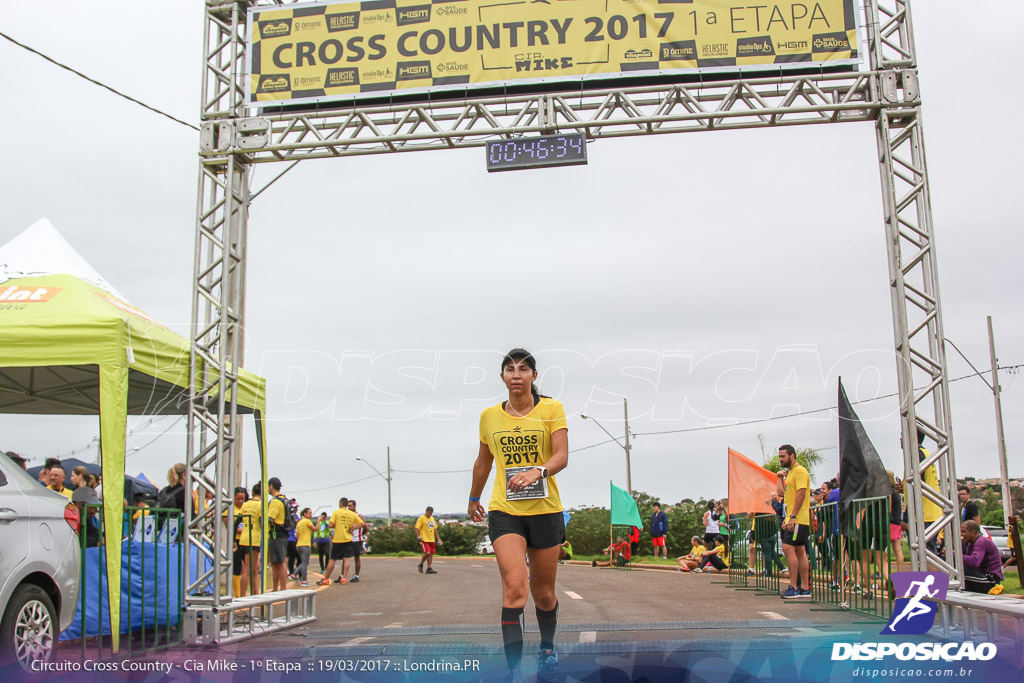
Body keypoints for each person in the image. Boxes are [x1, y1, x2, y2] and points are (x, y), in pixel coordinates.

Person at [468, 348, 568, 683]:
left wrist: (537, 472)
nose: (516, 374)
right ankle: (512, 670)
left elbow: (561, 456)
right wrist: (473, 498)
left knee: (544, 594)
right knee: (514, 587)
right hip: (505, 510)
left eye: (523, 369)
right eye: (509, 369)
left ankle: (548, 649)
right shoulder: (489, 417)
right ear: (502, 377)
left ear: (534, 377)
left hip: (545, 510)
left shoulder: (552, 409)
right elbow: (484, 462)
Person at [777, 445, 811, 599]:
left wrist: (793, 516)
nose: (781, 460)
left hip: (799, 518)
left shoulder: (800, 471)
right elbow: (782, 494)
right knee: (799, 550)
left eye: (783, 456)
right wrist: (787, 518)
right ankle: (804, 587)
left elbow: (802, 494)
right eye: (779, 457)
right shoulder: (790, 474)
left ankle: (794, 586)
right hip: (792, 517)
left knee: (788, 548)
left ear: (792, 456)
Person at [319, 496, 363, 586]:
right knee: (346, 559)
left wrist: (325, 521)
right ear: (347, 505)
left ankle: (326, 578)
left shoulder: (336, 512)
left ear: (340, 504)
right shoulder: (352, 514)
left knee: (332, 559)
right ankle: (344, 578)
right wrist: (353, 528)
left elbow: (331, 525)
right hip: (348, 539)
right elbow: (362, 523)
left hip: (338, 539)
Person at [961, 520, 1003, 593]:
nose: (961, 534)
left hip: (990, 580)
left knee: (958, 571)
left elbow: (975, 561)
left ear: (973, 532)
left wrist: (955, 555)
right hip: (981, 575)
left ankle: (937, 597)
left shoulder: (981, 542)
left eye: (963, 532)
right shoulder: (970, 543)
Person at [237, 482, 262, 596]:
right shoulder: (261, 505)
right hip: (253, 538)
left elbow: (237, 521)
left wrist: (233, 539)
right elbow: (262, 523)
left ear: (252, 492)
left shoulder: (246, 505)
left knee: (255, 568)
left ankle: (255, 592)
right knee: (247, 570)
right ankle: (242, 596)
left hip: (243, 538)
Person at [267, 477, 290, 592]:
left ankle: (282, 589)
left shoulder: (275, 501)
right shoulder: (283, 499)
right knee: (275, 563)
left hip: (276, 534)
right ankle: (276, 588)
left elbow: (270, 519)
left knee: (280, 562)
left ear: (271, 486)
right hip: (283, 534)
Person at [225, 487, 247, 597]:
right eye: (238, 499)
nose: (241, 501)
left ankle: (244, 592)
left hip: (246, 540)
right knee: (236, 567)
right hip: (235, 540)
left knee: (248, 567)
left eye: (242, 499)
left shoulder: (246, 508)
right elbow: (228, 526)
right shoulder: (229, 509)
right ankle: (237, 594)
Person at [415, 506, 442, 574]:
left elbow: (435, 530)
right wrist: (418, 537)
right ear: (426, 512)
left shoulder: (432, 519)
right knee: (427, 553)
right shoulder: (421, 518)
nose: (429, 515)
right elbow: (417, 528)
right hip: (424, 539)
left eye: (430, 513)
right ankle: (421, 564)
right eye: (428, 513)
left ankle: (429, 568)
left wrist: (438, 539)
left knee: (431, 554)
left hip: (431, 539)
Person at [888, 472, 906, 573]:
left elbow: (889, 508)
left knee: (883, 549)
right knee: (897, 549)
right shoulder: (896, 492)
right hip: (897, 522)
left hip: (891, 522)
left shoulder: (889, 492)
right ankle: (900, 571)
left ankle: (885, 572)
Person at [295, 507, 315, 586]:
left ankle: (294, 574)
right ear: (305, 514)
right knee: (304, 563)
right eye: (309, 513)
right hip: (305, 544)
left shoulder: (299, 522)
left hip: (299, 544)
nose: (311, 515)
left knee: (304, 562)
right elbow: (315, 529)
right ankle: (304, 580)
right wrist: (319, 521)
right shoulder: (307, 521)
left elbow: (297, 535)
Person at [348, 499, 367, 582]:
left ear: (354, 506)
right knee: (346, 558)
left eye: (350, 506)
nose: (348, 508)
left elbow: (365, 527)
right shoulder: (348, 515)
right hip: (348, 539)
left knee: (357, 557)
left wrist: (361, 534)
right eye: (347, 506)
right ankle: (342, 575)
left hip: (357, 539)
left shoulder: (359, 516)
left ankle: (356, 576)